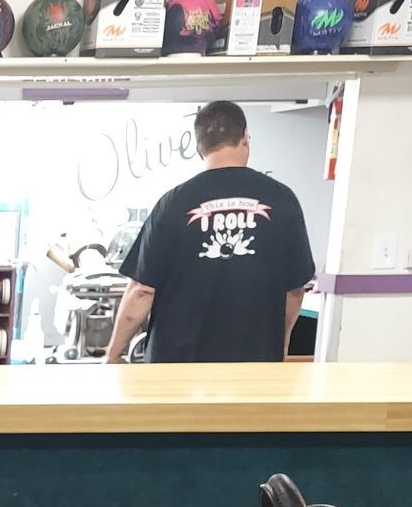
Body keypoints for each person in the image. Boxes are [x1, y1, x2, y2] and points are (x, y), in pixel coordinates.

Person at [103, 100, 316, 364]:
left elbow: (141, 291)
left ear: (198, 148)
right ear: (245, 138)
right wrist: (279, 346)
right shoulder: (282, 199)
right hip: (252, 367)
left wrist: (113, 355)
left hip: (176, 368)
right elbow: (294, 291)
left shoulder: (172, 204)